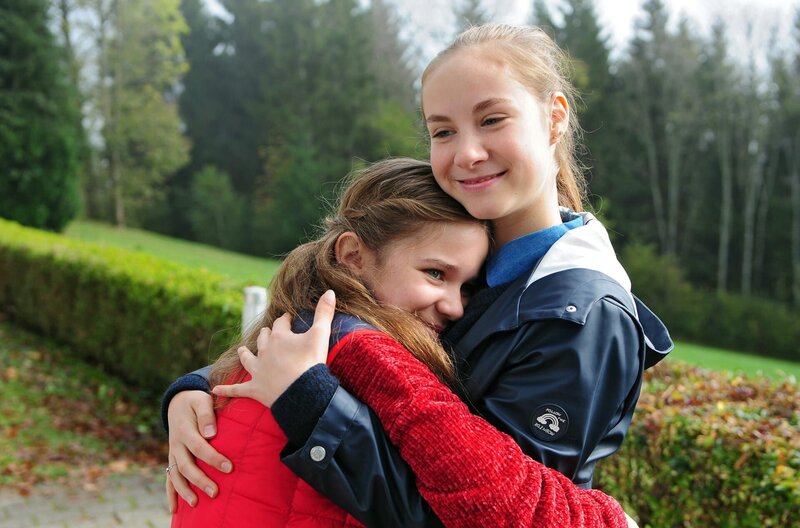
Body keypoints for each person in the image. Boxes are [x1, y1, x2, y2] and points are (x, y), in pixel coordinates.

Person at [164, 24, 672, 527]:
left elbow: (481, 511)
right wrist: (200, 390)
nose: (467, 153)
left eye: (492, 119)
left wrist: (309, 403)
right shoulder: (462, 242)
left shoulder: (582, 316)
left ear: (554, 118)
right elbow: (336, 310)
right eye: (443, 131)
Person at [171, 158, 492, 527]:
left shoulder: (296, 332)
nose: (455, 307)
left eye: (467, 287)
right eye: (435, 273)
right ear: (353, 255)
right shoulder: (363, 358)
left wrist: (188, 387)